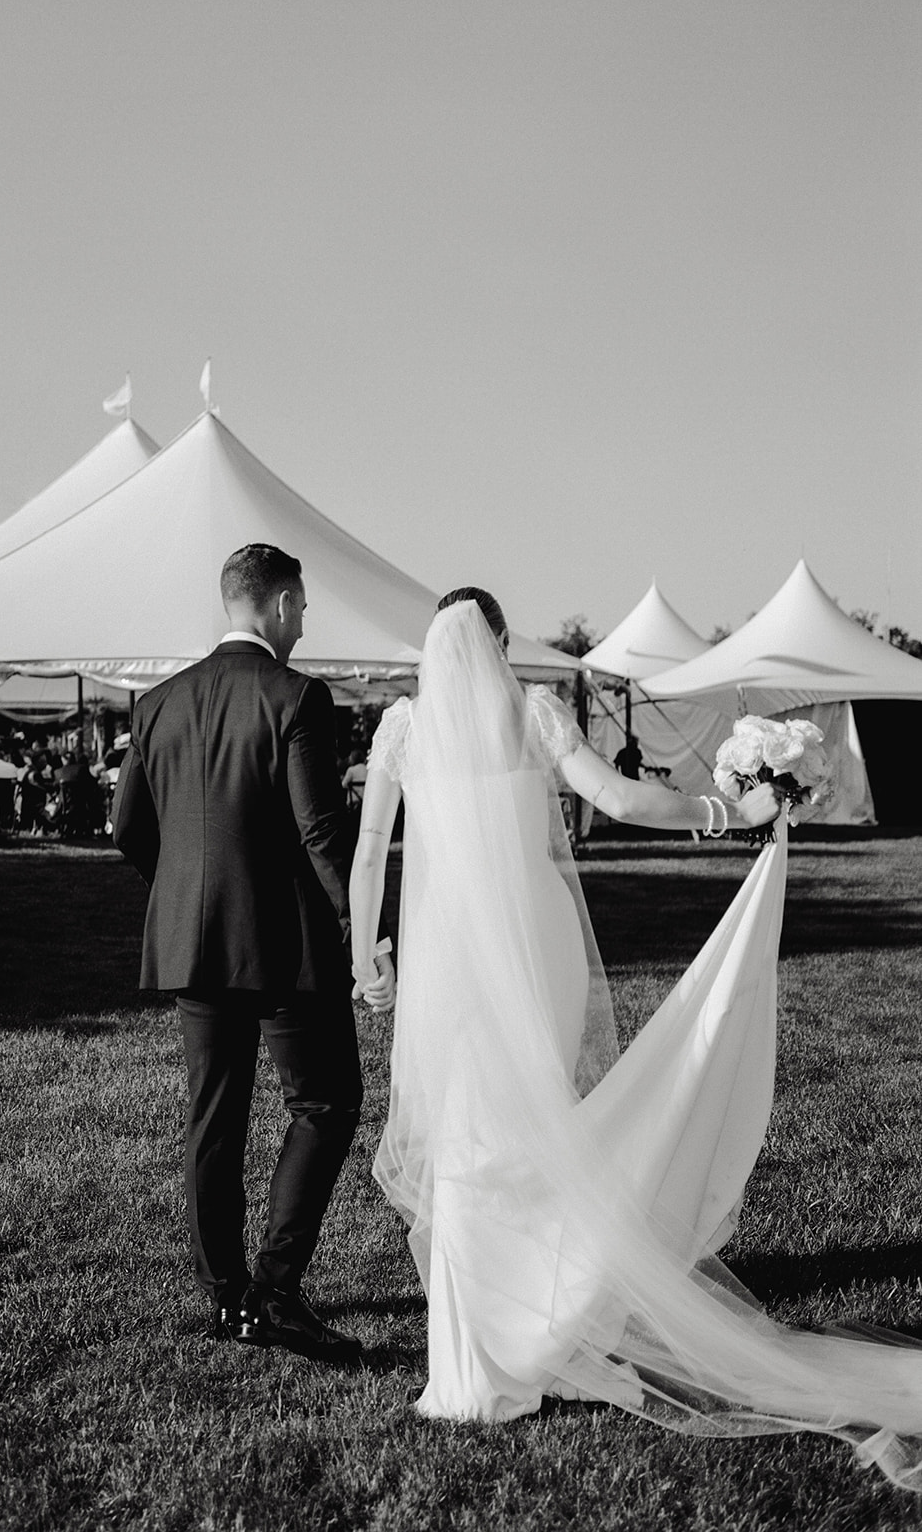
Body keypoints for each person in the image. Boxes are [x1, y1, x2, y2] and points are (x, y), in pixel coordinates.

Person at [349, 589, 922, 1490]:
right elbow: (616, 797)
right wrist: (724, 812)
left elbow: (369, 848)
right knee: (536, 1126)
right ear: (500, 642)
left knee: (466, 1141)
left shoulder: (403, 730)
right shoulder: (533, 713)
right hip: (536, 946)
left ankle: (476, 1359)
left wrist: (365, 954)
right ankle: (541, 1318)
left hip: (449, 954)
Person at [113, 543, 380, 1360]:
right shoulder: (297, 695)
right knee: (325, 1102)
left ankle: (228, 1298)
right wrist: (364, 926)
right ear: (284, 603)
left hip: (192, 943)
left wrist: (184, 890)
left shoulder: (157, 701)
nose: (304, 623)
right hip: (286, 943)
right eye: (304, 608)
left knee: (213, 1115)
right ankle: (274, 1291)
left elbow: (128, 827)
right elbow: (319, 828)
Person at [341, 747, 368, 812]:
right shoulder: (367, 769)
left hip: (354, 801)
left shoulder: (351, 770)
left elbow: (343, 785)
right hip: (366, 799)